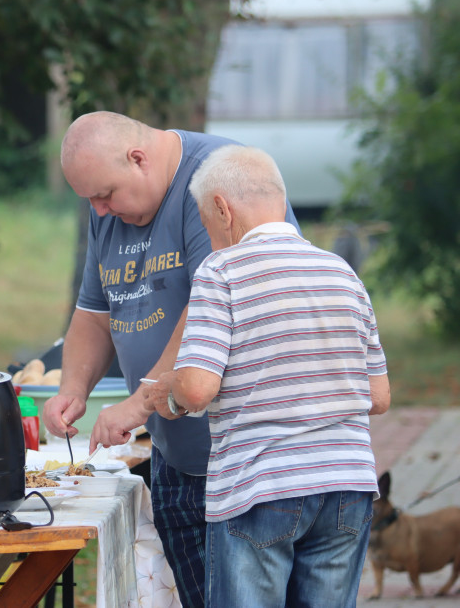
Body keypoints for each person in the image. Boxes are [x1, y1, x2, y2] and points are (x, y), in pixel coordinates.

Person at [41, 111, 297, 607]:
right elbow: (94, 314)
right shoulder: (108, 213)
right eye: (90, 199)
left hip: (249, 464)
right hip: (174, 455)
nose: (99, 210)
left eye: (105, 194)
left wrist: (137, 404)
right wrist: (72, 390)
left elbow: (214, 304)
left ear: (138, 159)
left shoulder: (215, 180)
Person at [166, 144, 390, 607]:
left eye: (207, 226)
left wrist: (167, 392)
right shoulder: (342, 272)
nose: (210, 239)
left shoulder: (222, 271)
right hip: (347, 486)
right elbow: (379, 395)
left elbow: (197, 389)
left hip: (260, 487)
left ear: (222, 209)